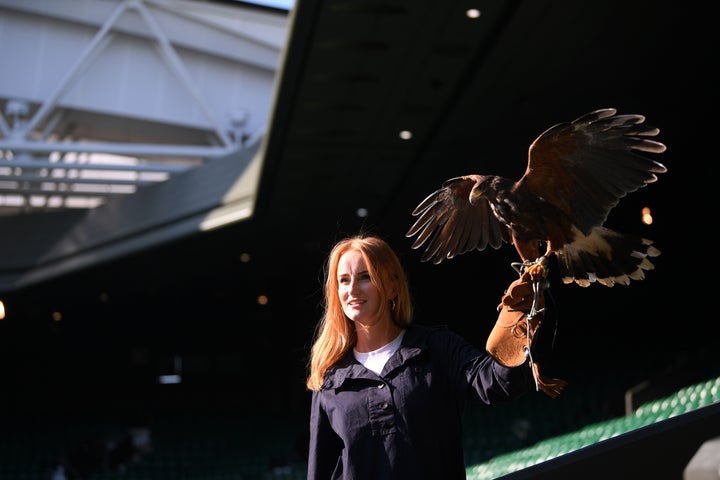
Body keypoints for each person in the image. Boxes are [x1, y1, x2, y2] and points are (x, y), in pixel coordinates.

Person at [305, 233, 565, 479]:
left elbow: (498, 384)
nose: (352, 290)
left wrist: (521, 326)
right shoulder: (329, 377)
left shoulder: (436, 347)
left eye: (365, 277)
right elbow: (319, 470)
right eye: (343, 280)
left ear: (393, 286)